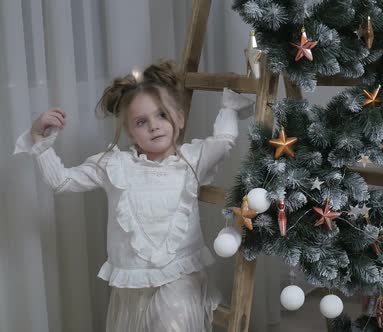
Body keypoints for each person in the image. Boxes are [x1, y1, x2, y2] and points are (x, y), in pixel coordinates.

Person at [13, 60, 254, 331]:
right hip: (133, 280)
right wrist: (39, 139)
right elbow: (62, 181)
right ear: (130, 132)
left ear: (180, 118)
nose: (154, 126)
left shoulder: (191, 159)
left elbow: (223, 141)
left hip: (179, 275)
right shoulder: (113, 165)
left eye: (162, 115)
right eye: (142, 121)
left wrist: (229, 104)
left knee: (171, 321)